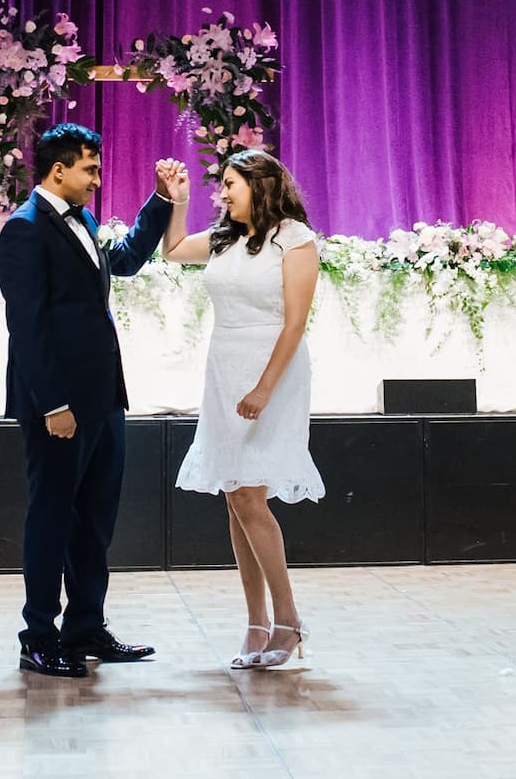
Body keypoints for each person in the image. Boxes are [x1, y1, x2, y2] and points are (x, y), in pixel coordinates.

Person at [0, 123, 183, 678]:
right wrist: (53, 404)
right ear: (59, 171)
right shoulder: (24, 229)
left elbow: (124, 261)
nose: (98, 180)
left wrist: (162, 202)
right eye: (90, 170)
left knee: (95, 519)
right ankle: (38, 636)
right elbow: (27, 327)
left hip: (103, 400)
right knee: (52, 517)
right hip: (58, 406)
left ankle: (85, 627)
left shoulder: (85, 220)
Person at [160, 148, 325, 670]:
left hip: (271, 369)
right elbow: (173, 250)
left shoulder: (294, 239)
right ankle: (256, 621)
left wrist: (264, 388)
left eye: (231, 183)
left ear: (262, 185)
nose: (223, 193)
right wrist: (178, 201)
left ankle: (288, 620)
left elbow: (295, 323)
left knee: (251, 495)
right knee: (235, 495)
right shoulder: (225, 238)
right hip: (225, 368)